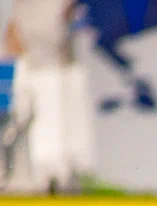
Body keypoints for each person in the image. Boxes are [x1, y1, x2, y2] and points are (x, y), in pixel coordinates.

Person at [3, 0, 93, 191]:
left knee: (55, 136)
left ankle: (57, 179)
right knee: (17, 128)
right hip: (23, 65)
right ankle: (23, 181)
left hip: (54, 69)